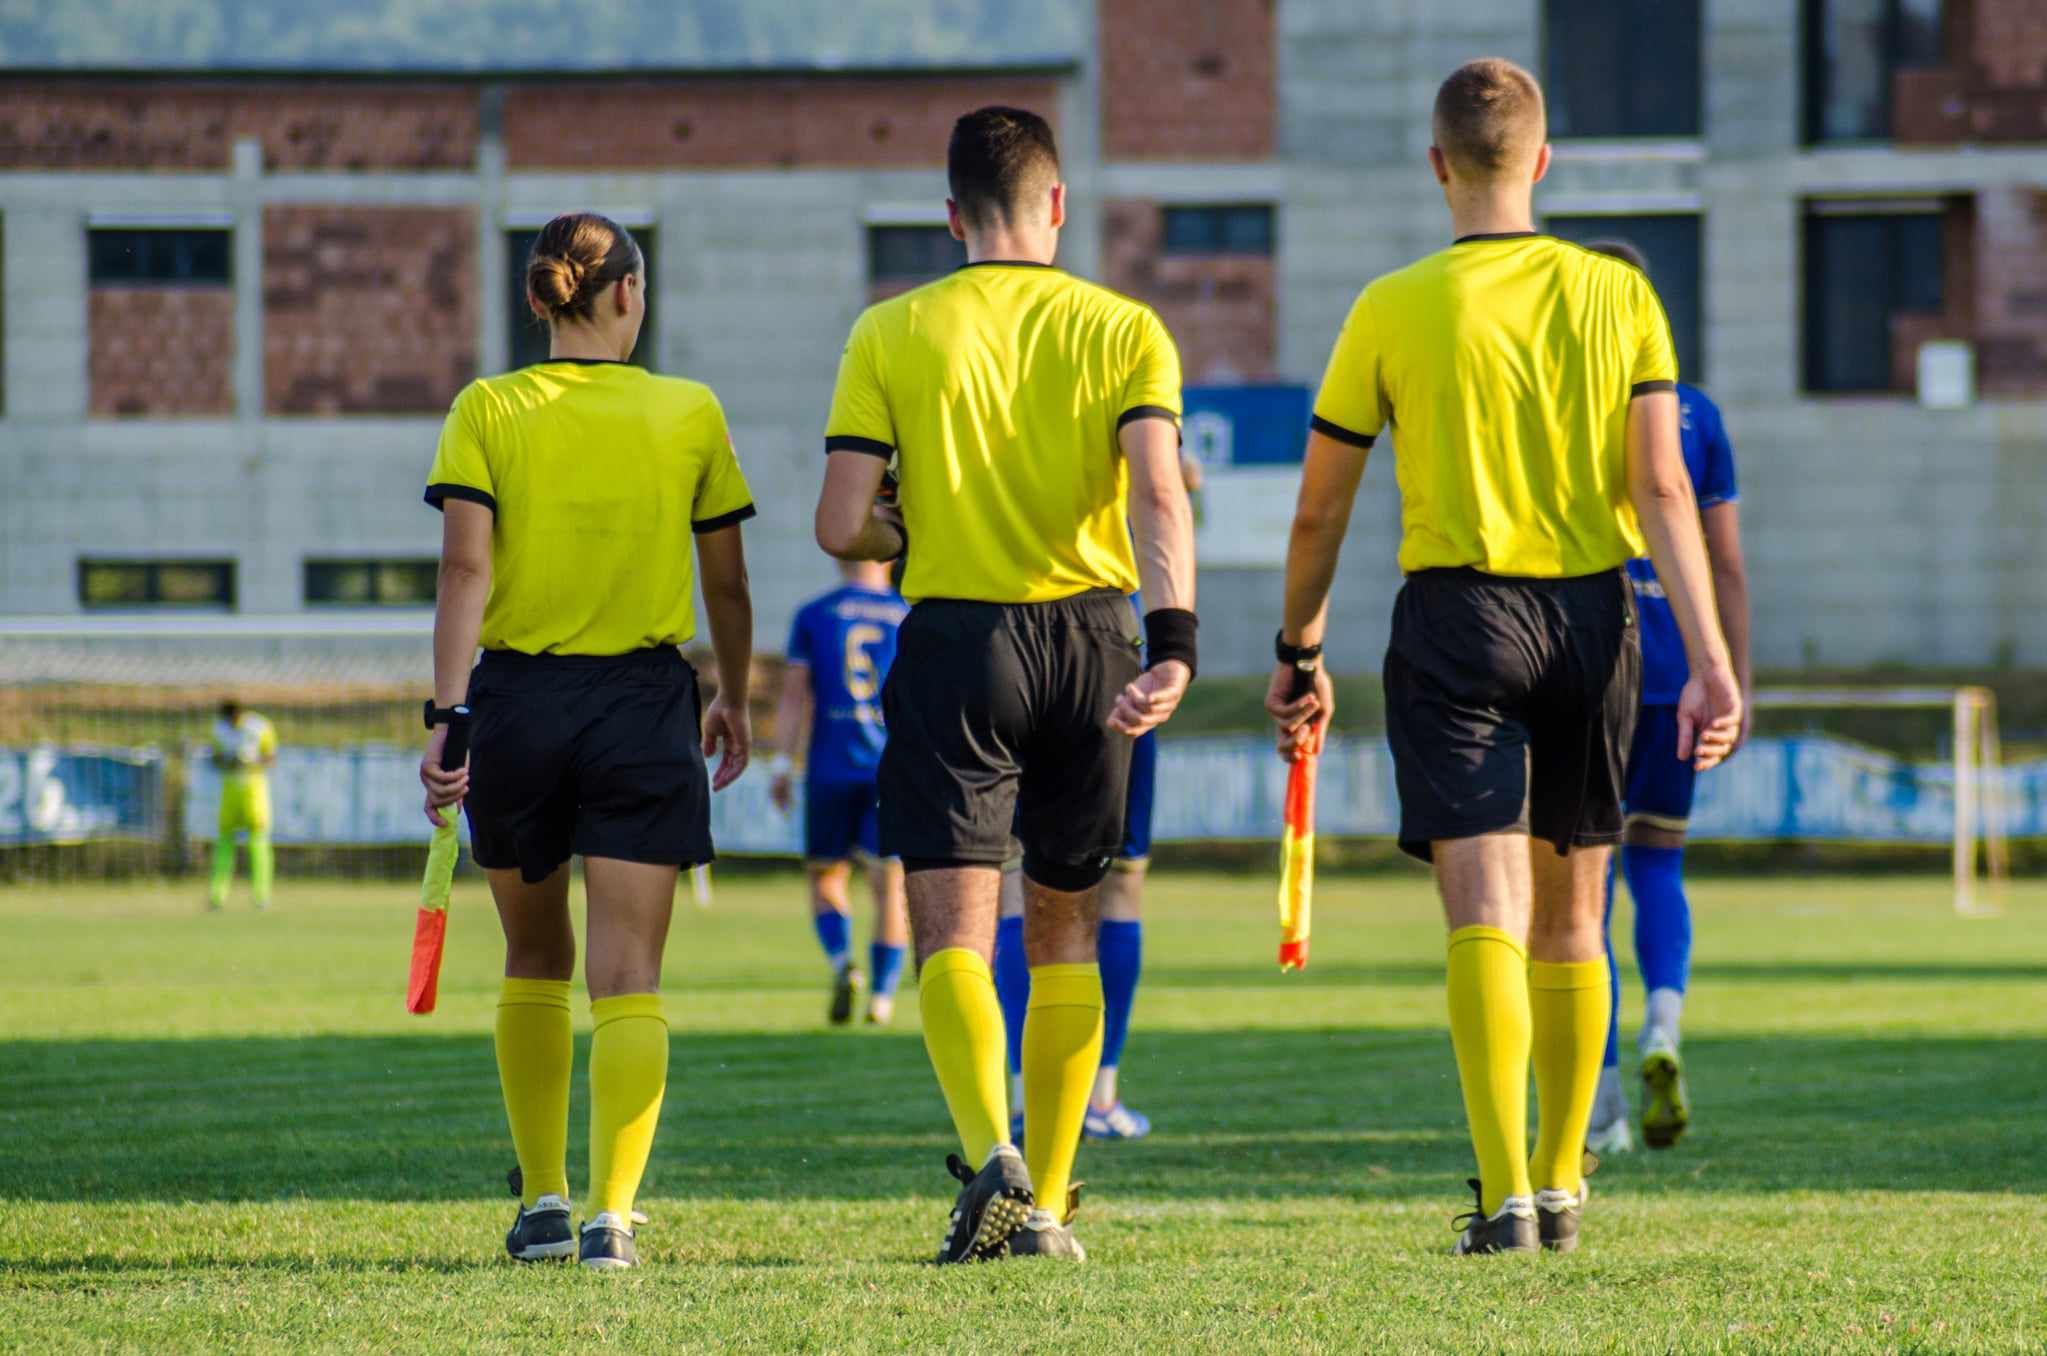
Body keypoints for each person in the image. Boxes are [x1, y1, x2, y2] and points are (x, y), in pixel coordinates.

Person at [1266, 60, 1742, 1257]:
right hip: (1596, 619)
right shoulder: (1617, 298)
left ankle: (1503, 1198)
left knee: (1482, 909)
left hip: (1458, 616)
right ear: (1541, 161)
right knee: (1576, 912)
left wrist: (1298, 646)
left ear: (1437, 167)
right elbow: (1662, 486)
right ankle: (1564, 1181)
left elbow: (1319, 510)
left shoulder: (1391, 304)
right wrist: (1717, 659)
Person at [814, 106, 1197, 1264]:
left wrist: (910, 510)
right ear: (1057, 207)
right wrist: (1171, 638)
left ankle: (993, 1154)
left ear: (949, 218)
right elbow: (1157, 494)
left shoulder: (891, 330)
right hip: (1094, 638)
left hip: (959, 641)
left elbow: (841, 524)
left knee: (952, 936)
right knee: (1067, 927)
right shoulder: (1125, 326)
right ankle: (1050, 1205)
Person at [419, 211, 756, 1272]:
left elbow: (463, 574)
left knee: (533, 956)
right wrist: (734, 696)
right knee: (629, 976)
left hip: (514, 704)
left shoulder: (487, 407)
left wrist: (446, 715)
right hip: (643, 703)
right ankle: (613, 1215)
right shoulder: (688, 410)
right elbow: (728, 581)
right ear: (626, 296)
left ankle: (544, 1207)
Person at [1578, 240, 1752, 1156]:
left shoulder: (1565, 404)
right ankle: (1664, 1029)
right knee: (1659, 865)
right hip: (1682, 670)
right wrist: (1732, 674)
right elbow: (1723, 563)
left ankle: (1600, 1103)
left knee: (1583, 887)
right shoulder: (1697, 414)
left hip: (1590, 667)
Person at [993, 450, 1204, 1143]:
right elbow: (1176, 484)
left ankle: (1027, 1096)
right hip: (1110, 652)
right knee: (1116, 889)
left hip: (1008, 648)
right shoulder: (1115, 391)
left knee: (1014, 888)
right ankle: (1099, 1095)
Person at [769, 559, 911, 1026]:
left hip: (829, 768)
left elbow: (794, 697)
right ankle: (883, 998)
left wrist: (781, 764)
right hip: (891, 769)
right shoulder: (909, 613)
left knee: (826, 876)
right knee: (890, 884)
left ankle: (841, 962)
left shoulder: (815, 613)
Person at [207, 699, 276, 911]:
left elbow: (270, 758)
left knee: (258, 842)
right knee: (225, 842)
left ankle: (261, 896)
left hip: (254, 789)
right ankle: (217, 896)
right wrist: (228, 761)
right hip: (230, 790)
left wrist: (251, 762)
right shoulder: (219, 730)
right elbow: (214, 759)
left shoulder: (260, 727)